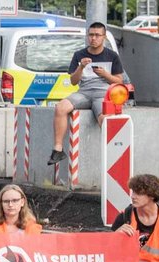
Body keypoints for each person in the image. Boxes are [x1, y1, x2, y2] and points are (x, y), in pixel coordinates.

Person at [49, 22, 125, 165]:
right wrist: (81, 67)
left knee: (105, 118)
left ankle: (115, 153)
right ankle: (58, 150)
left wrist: (105, 75)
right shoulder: (79, 55)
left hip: (103, 94)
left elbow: (119, 82)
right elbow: (73, 81)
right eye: (91, 35)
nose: (93, 38)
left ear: (104, 37)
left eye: (97, 35)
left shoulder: (112, 55)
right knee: (60, 107)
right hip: (83, 92)